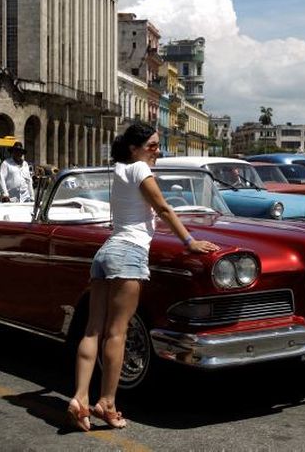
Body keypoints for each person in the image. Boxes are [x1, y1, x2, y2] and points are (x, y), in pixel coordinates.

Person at [67, 123, 220, 431]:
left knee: (93, 330)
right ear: (134, 148)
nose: (157, 151)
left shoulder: (119, 170)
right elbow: (163, 208)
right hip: (129, 252)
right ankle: (107, 403)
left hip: (106, 252)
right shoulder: (139, 169)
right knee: (117, 332)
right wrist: (190, 242)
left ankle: (80, 397)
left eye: (158, 146)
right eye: (152, 146)